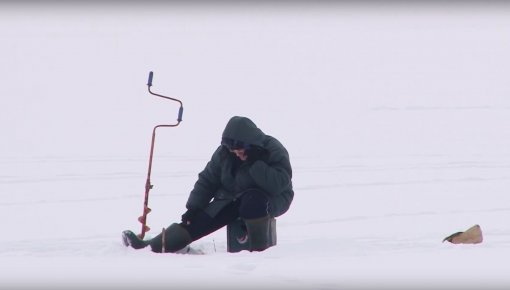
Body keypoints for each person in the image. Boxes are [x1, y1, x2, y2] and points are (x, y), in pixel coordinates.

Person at [122, 116, 294, 253]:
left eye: (241, 151)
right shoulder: (224, 154)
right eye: (234, 152)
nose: (238, 155)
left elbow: (278, 185)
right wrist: (193, 208)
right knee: (198, 219)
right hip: (233, 197)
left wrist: (256, 164)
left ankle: (259, 252)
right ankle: (150, 248)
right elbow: (208, 180)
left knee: (253, 200)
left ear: (250, 145)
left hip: (272, 198)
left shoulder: (272, 149)